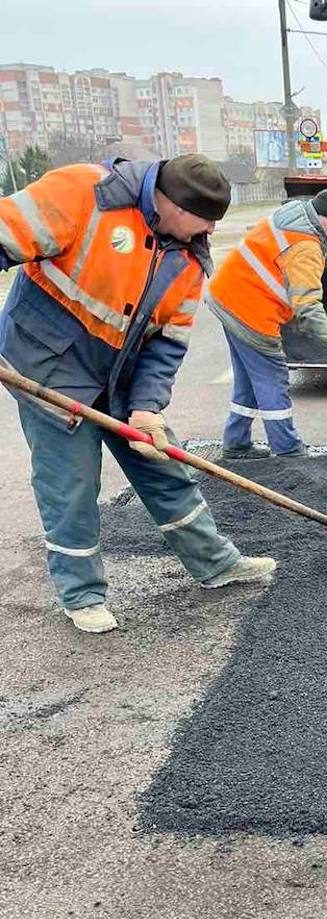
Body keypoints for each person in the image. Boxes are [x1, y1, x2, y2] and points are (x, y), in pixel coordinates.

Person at [0, 154, 276, 635]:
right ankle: (81, 593)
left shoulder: (189, 256)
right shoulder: (84, 193)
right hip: (49, 360)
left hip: (122, 367)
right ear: (170, 204)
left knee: (160, 459)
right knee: (71, 479)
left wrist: (147, 409)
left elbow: (168, 343)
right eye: (203, 220)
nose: (208, 231)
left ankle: (214, 563)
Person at [207, 185, 327, 459]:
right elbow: (308, 307)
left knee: (248, 380)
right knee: (273, 377)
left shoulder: (294, 213)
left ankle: (236, 443)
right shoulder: (306, 247)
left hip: (227, 296)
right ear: (320, 215)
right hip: (249, 310)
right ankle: (288, 450)